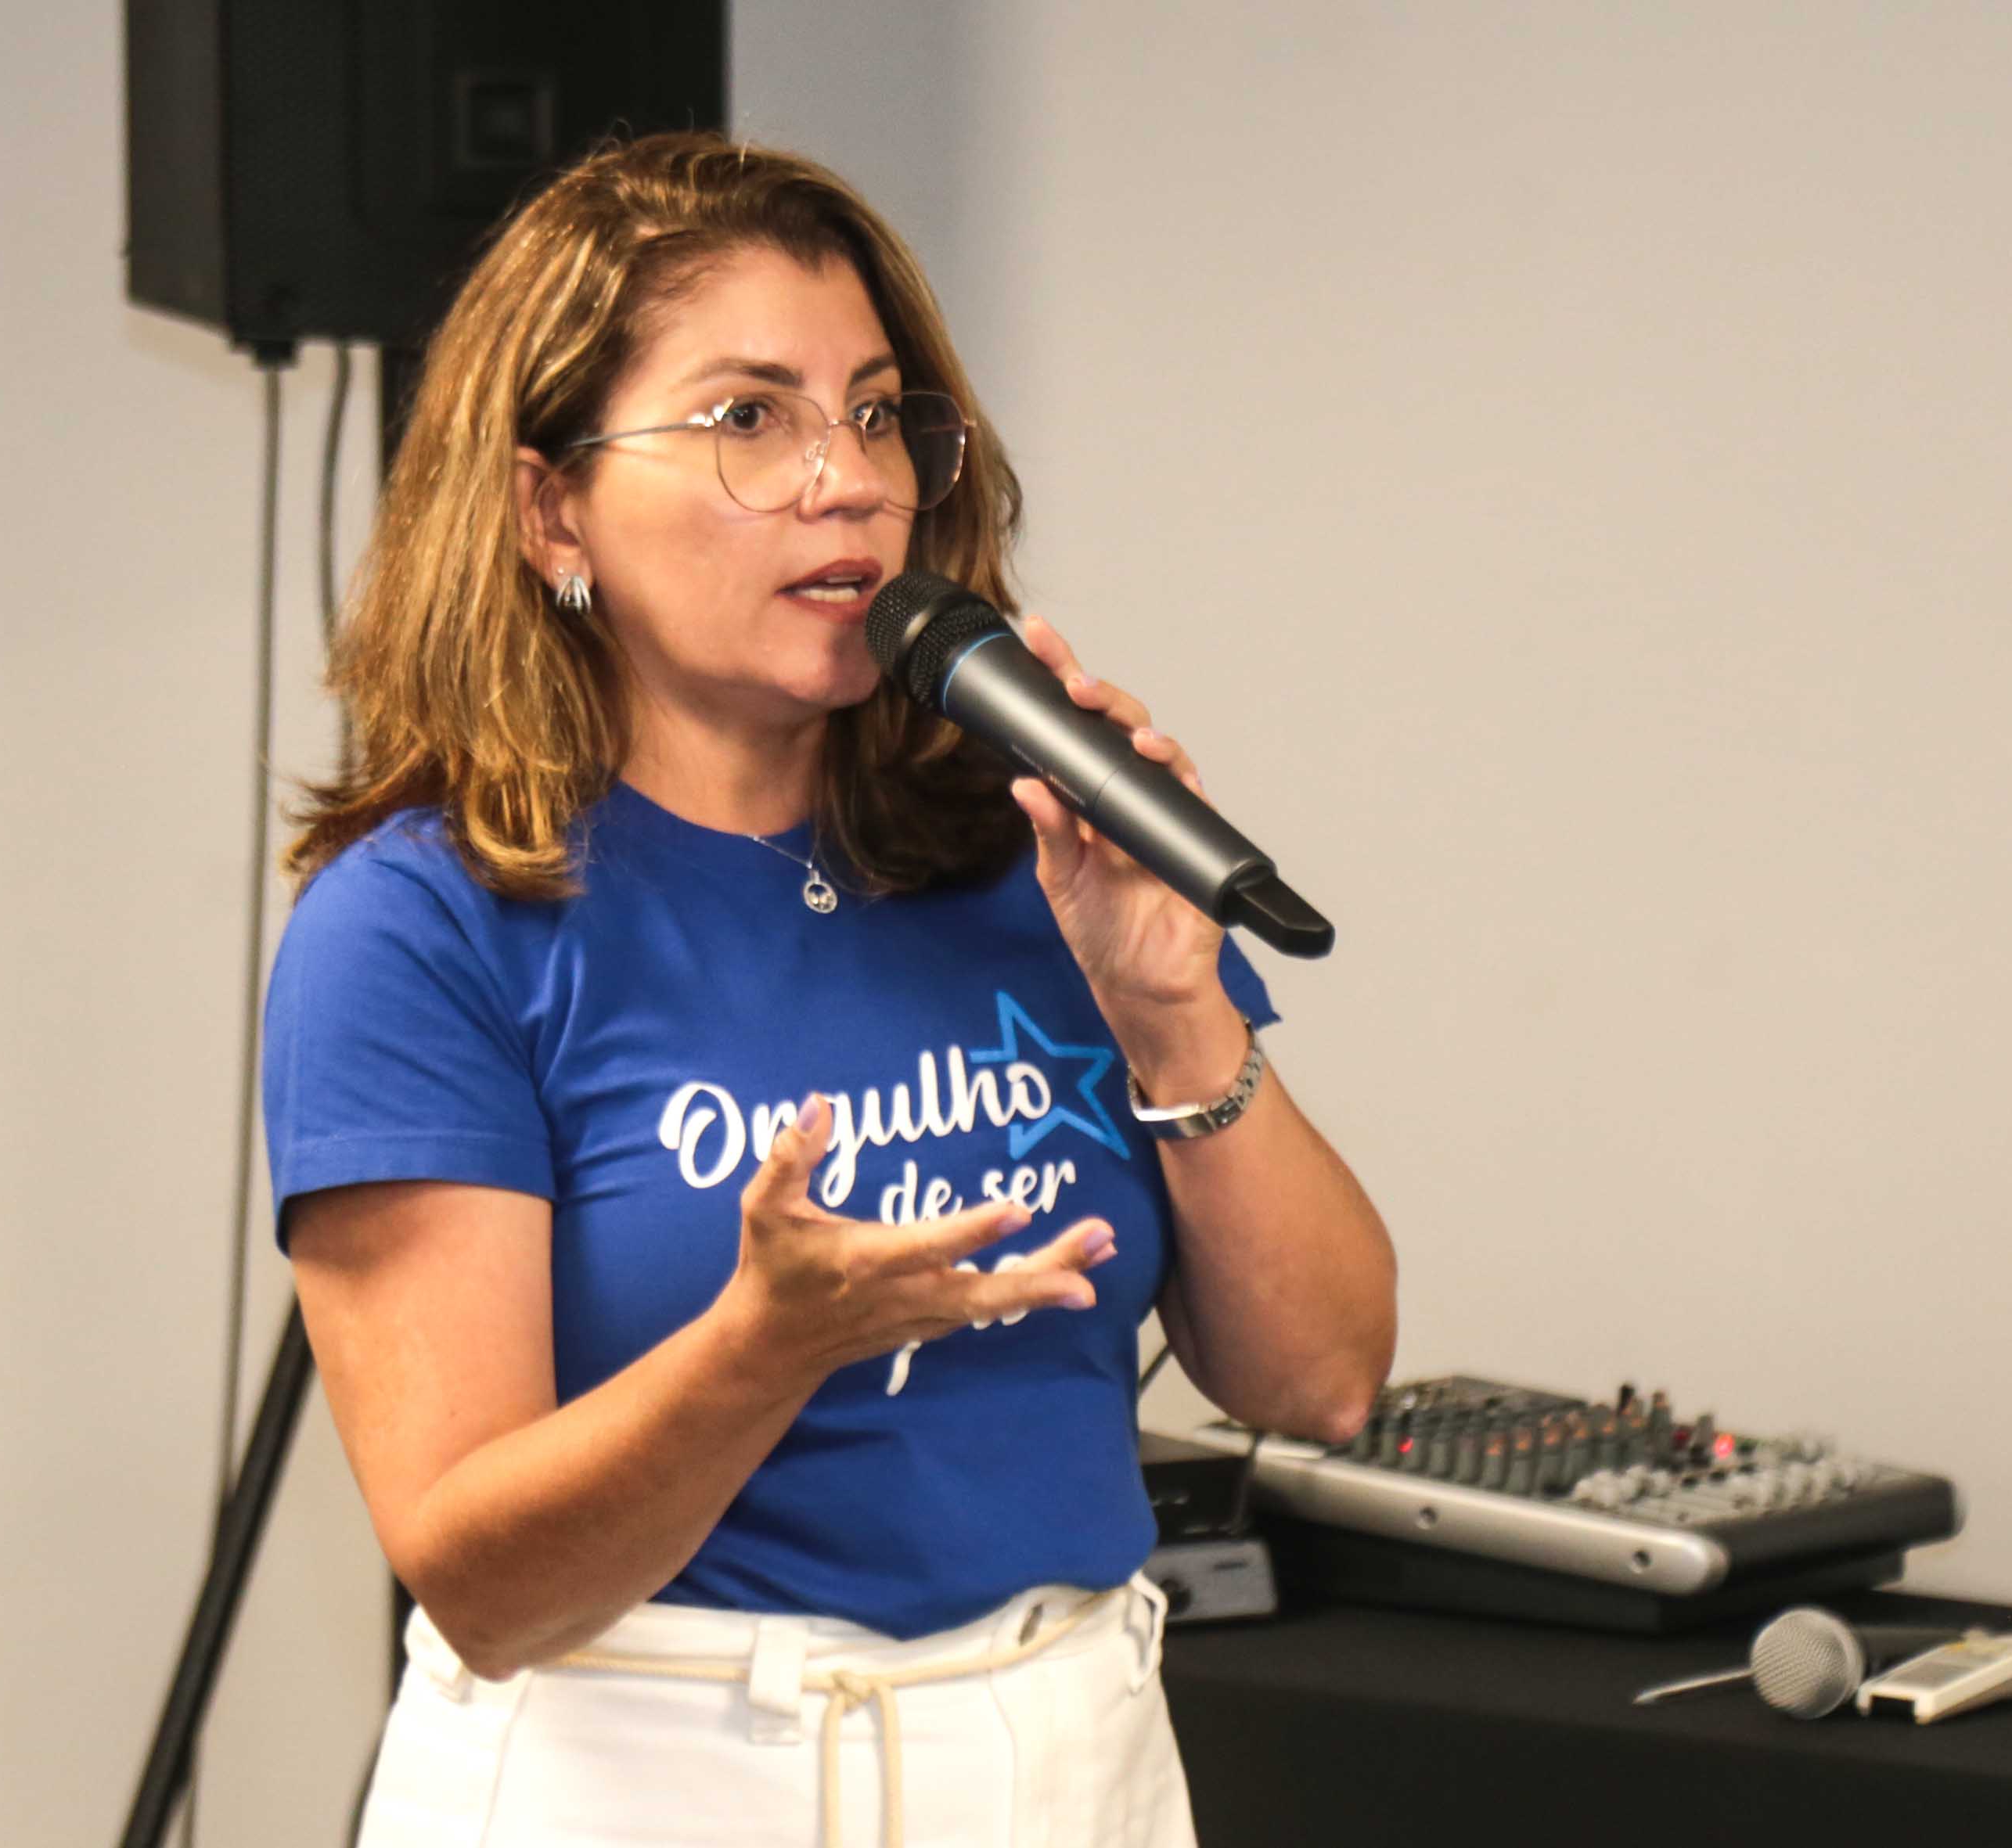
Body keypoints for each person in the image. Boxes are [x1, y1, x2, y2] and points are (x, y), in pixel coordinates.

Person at [262, 132, 1396, 1848]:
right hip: (637, 1779)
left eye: (877, 412)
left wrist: (1171, 998)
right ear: (548, 505)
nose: (847, 479)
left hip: (1064, 1762)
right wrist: (763, 1345)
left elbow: (1320, 1377)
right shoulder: (424, 920)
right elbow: (480, 1581)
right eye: (748, 418)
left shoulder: (1032, 840)